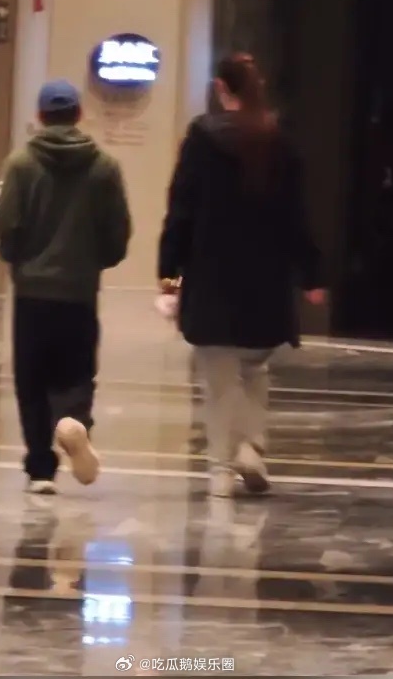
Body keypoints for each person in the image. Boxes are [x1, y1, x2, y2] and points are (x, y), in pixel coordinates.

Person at [157, 54, 325, 498]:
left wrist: (168, 276)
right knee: (254, 368)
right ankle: (252, 447)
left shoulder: (201, 140)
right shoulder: (279, 142)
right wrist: (311, 274)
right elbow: (296, 217)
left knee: (218, 382)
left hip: (211, 282)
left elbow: (181, 212)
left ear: (220, 88)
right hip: (265, 286)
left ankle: (219, 470)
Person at [0, 79, 132, 495]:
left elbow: (6, 224)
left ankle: (40, 468)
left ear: (40, 116)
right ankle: (73, 421)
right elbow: (118, 230)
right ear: (78, 115)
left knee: (31, 380)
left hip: (32, 291)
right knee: (77, 373)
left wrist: (18, 259)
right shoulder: (104, 167)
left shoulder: (19, 164)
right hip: (79, 291)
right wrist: (98, 261)